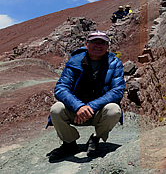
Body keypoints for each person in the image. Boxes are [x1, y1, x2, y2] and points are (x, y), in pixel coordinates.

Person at [46, 30, 125, 161]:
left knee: (114, 110)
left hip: (97, 110)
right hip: (75, 111)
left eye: (102, 43)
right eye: (94, 42)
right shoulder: (74, 62)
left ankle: (95, 138)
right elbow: (61, 88)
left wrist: (90, 107)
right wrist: (78, 106)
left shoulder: (114, 63)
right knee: (56, 109)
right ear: (86, 44)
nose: (98, 45)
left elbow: (117, 91)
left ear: (107, 46)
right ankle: (69, 143)